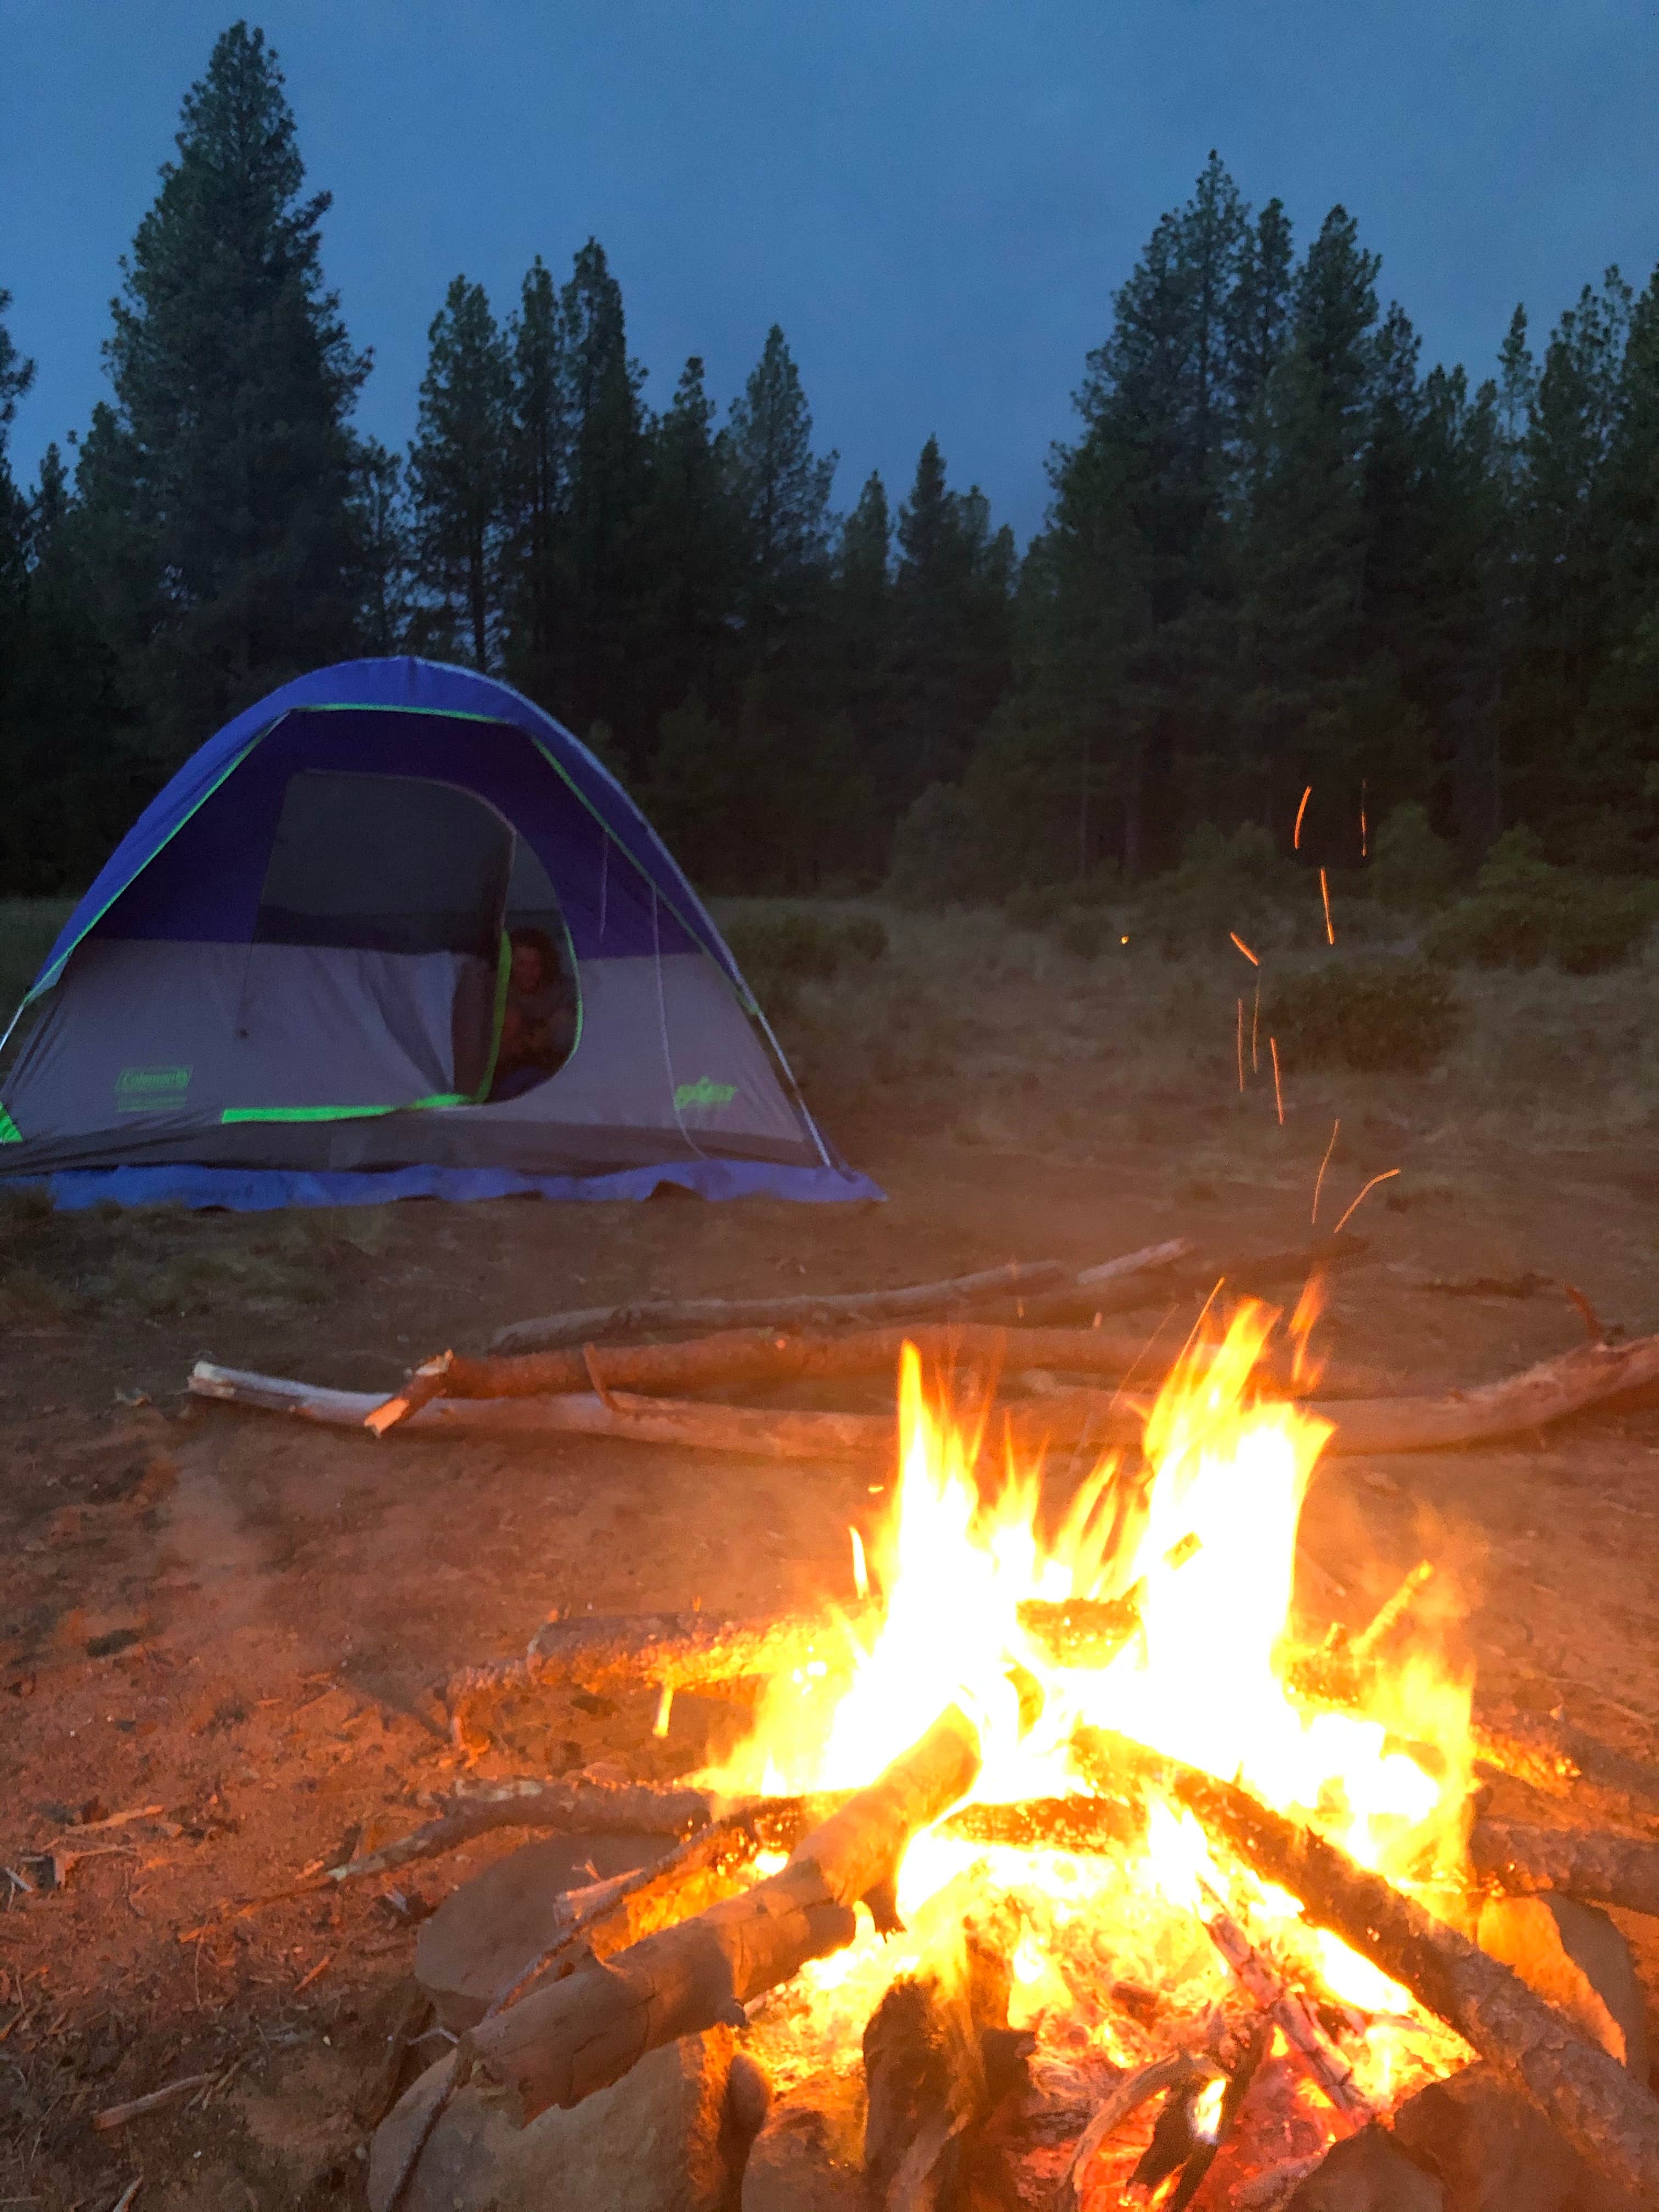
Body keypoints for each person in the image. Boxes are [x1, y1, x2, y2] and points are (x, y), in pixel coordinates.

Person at [490, 928, 576, 1097]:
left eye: (535, 964)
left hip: (552, 1066)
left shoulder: (560, 991)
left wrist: (547, 1033)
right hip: (504, 1069)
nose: (528, 972)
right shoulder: (496, 990)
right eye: (522, 964)